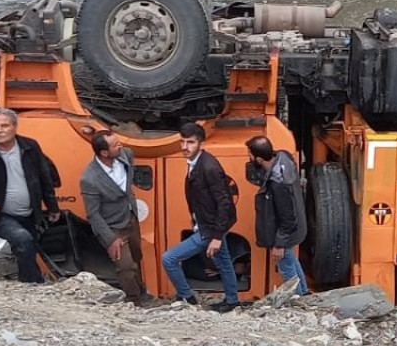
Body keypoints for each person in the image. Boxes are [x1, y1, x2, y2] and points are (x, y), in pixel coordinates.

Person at [0, 108, 60, 284]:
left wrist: (52, 206)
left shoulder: (30, 147)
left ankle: (22, 278)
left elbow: (44, 177)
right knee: (22, 239)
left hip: (30, 213)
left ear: (14, 127)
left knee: (28, 245)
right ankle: (32, 284)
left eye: (4, 126)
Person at [160, 122, 241, 312]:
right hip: (209, 224)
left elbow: (224, 202)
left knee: (169, 259)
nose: (184, 147)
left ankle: (187, 297)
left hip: (209, 228)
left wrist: (216, 236)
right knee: (225, 262)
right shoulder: (198, 162)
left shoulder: (209, 167)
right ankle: (232, 300)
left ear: (200, 144)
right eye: (182, 142)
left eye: (190, 142)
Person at [79, 131, 145, 304]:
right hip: (113, 228)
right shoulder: (90, 179)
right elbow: (93, 214)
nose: (121, 146)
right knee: (125, 267)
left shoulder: (126, 156)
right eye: (116, 145)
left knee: (136, 257)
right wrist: (110, 239)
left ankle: (142, 292)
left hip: (130, 218)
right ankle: (134, 301)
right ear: (104, 153)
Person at [246, 135, 309, 296]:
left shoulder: (278, 184)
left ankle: (299, 298)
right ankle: (305, 292)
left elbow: (287, 216)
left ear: (259, 159)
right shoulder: (284, 160)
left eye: (250, 155)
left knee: (286, 266)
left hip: (286, 232)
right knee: (292, 261)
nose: (249, 158)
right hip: (296, 228)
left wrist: (279, 244)